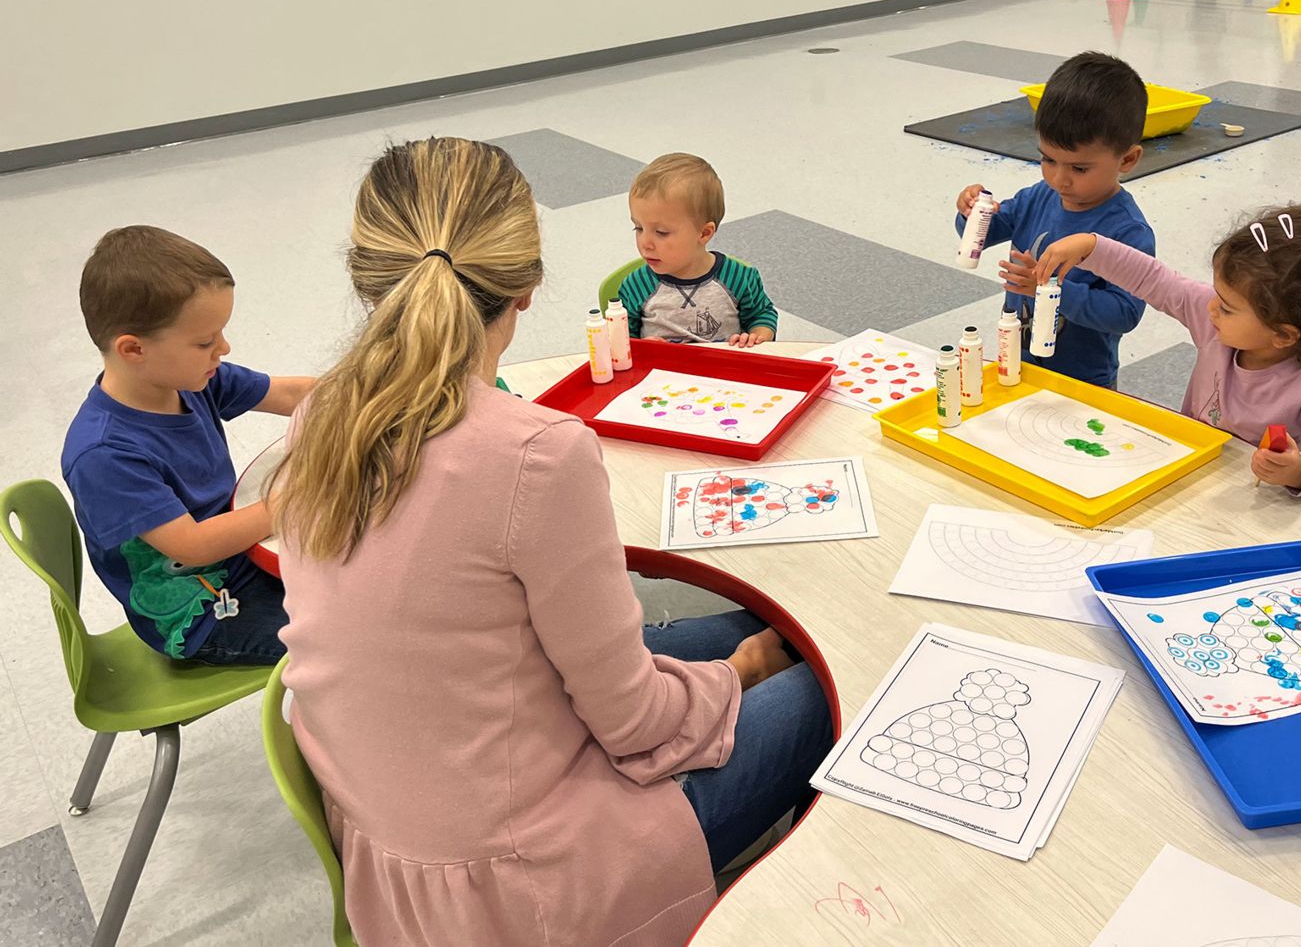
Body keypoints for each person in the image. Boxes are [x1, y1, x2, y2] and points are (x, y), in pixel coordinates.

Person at [274, 137, 830, 946]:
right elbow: (635, 725)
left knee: (755, 632)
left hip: (396, 854)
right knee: (826, 678)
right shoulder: (538, 452)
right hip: (524, 887)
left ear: (368, 278)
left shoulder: (317, 416)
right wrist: (738, 676)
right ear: (527, 287)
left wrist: (730, 667)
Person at [61, 226, 313, 664]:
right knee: (351, 636)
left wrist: (379, 394)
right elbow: (193, 546)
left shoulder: (190, 379)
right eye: (205, 341)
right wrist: (301, 496)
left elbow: (293, 395)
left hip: (240, 557)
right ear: (133, 349)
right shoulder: (104, 455)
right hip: (202, 611)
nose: (223, 348)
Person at [1033, 193, 1301, 496]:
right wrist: (1092, 247)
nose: (1211, 307)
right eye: (1217, 295)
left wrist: (1299, 469)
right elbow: (1156, 280)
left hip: (1248, 501)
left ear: (1283, 335)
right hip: (1190, 474)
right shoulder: (1215, 320)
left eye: (1227, 307)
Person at [953, 51, 1153, 389]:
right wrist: (973, 212)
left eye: (1079, 168)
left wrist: (1048, 291)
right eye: (1048, 159)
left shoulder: (1128, 231)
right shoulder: (1038, 196)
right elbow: (985, 235)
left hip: (1083, 380)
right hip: (1017, 362)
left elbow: (1124, 313)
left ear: (1128, 159)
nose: (1059, 179)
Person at [617, 152, 778, 345]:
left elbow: (762, 314)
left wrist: (757, 336)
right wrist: (642, 347)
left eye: (661, 232)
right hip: (663, 373)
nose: (645, 242)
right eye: (639, 228)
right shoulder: (635, 286)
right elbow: (621, 342)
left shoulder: (739, 278)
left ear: (703, 233)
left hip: (725, 370)